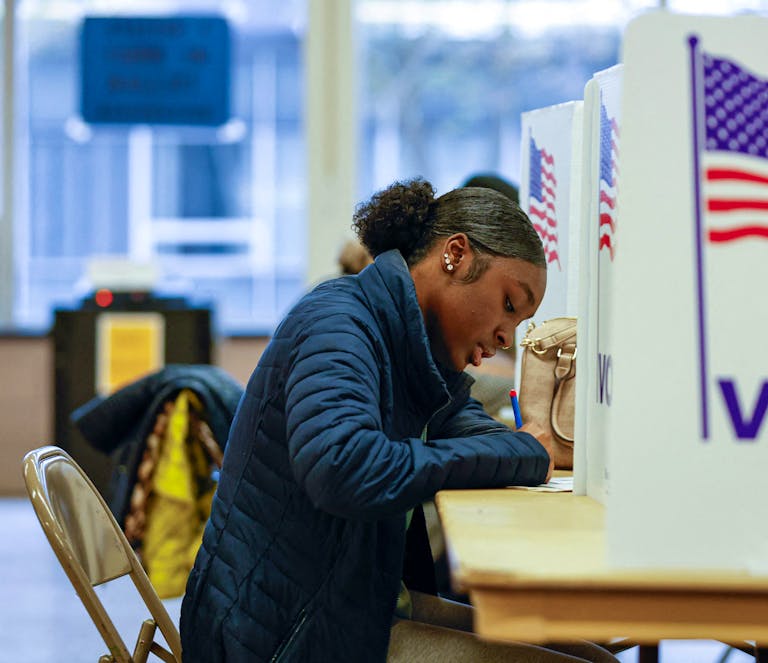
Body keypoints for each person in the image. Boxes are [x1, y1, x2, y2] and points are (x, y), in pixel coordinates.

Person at [179, 179, 616, 662]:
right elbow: (344, 469)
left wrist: (529, 449)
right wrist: (523, 451)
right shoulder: (339, 322)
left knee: (598, 658)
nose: (506, 338)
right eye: (509, 305)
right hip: (280, 638)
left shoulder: (409, 341)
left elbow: (467, 426)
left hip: (351, 603)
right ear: (457, 255)